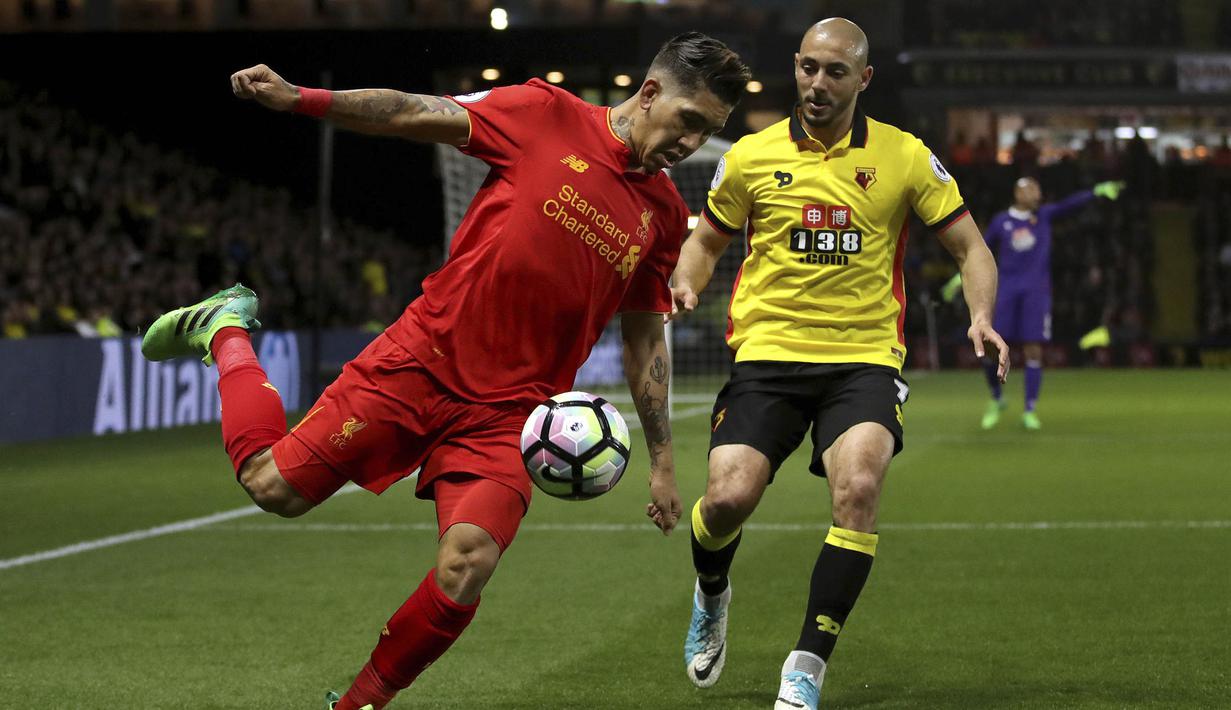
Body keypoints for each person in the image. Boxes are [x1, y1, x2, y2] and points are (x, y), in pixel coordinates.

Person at [140, 32, 750, 710]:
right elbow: (410, 111)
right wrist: (300, 100)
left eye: (708, 131)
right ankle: (225, 328)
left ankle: (356, 706)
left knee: (467, 565)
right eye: (688, 121)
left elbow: (644, 340)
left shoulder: (663, 216)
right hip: (419, 364)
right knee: (271, 486)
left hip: (511, 417)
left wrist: (663, 459)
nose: (691, 141)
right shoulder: (542, 113)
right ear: (648, 93)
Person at [668, 18, 1009, 709]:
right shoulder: (752, 156)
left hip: (862, 359)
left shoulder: (905, 156)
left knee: (857, 488)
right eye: (807, 68)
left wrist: (980, 315)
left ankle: (806, 664)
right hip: (766, 353)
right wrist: (685, 283)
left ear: (863, 79)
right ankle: (711, 592)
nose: (816, 84)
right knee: (727, 500)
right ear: (794, 67)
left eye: (833, 72)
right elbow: (704, 242)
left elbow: (970, 248)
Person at [942, 176, 1124, 430]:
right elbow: (976, 251)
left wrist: (1095, 191)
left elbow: (1069, 205)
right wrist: (957, 279)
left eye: (1039, 189)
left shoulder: (1045, 216)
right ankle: (997, 399)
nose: (1038, 194)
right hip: (1005, 292)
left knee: (1034, 349)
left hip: (1036, 293)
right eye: (1032, 189)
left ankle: (1030, 409)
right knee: (989, 345)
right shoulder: (1001, 222)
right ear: (1018, 194)